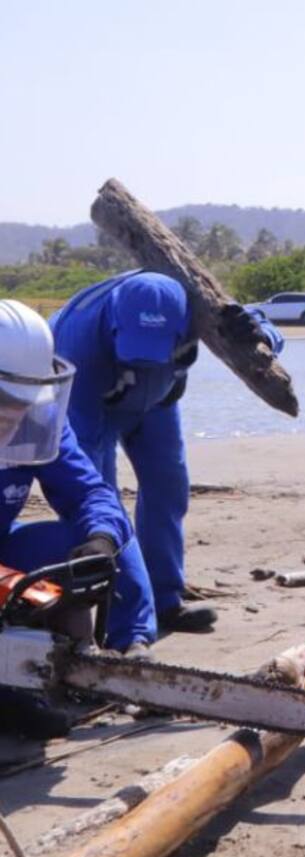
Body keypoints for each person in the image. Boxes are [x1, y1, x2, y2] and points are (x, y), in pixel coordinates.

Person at [51, 271, 283, 643]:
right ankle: (122, 616)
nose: (143, 359)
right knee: (105, 507)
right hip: (94, 406)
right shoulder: (76, 341)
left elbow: (265, 330)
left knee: (169, 489)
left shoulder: (197, 308)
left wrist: (258, 335)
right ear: (114, 323)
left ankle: (165, 600)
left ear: (182, 325)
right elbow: (87, 485)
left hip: (160, 403)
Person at [0, 299, 142, 739]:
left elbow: (89, 492)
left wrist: (99, 538)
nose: (12, 418)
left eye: (18, 405)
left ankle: (112, 646)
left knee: (86, 545)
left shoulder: (38, 421)